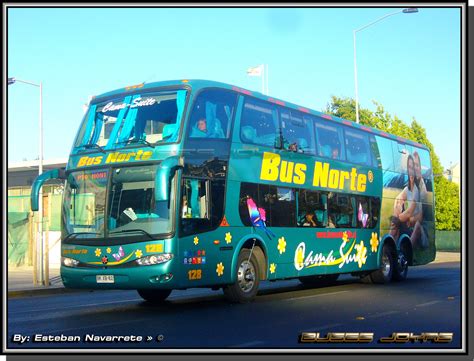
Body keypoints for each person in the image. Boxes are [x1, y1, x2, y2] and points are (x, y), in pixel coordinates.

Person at [390, 154, 424, 247]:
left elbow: (410, 212)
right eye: (409, 167)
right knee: (396, 222)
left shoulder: (418, 188)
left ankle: (408, 250)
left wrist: (398, 218)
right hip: (408, 223)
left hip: (416, 226)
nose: (411, 170)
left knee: (415, 225)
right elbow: (398, 199)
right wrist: (397, 208)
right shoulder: (407, 188)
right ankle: (390, 243)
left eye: (413, 167)